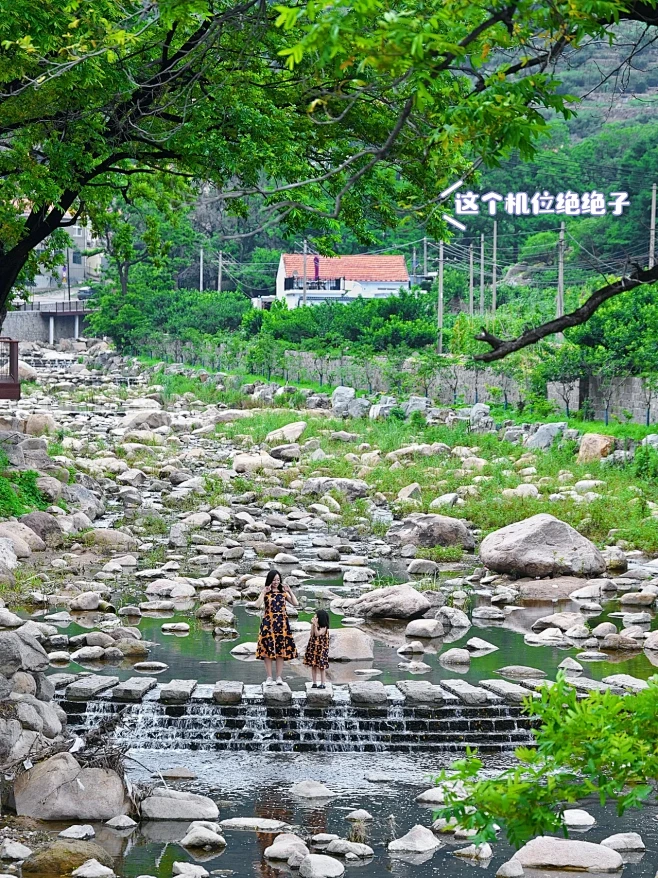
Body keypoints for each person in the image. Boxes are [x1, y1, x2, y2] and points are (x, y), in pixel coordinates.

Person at [255, 569, 299, 684]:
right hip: (268, 624)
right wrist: (263, 592)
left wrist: (290, 591)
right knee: (267, 651)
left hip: (282, 625)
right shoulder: (266, 593)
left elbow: (295, 603)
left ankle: (279, 677)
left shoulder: (283, 593)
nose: (276, 582)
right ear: (270, 580)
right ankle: (269, 677)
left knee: (281, 651)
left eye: (278, 580)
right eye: (274, 580)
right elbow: (257, 604)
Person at [304, 608, 330, 689]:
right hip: (313, 648)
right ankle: (314, 682)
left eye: (316, 617)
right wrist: (313, 625)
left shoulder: (324, 627)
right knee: (313, 665)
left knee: (322, 666)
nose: (314, 618)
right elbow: (312, 634)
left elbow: (318, 634)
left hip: (321, 649)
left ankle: (323, 683)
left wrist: (315, 625)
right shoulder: (314, 625)